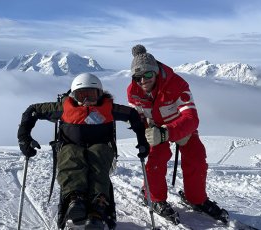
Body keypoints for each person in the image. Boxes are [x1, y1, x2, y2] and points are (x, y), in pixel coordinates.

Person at [17, 73, 149, 229]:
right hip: (71, 145)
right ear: (73, 95)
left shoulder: (109, 108)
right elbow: (32, 111)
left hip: (101, 147)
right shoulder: (64, 107)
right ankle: (75, 198)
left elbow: (133, 115)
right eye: (82, 95)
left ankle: (97, 206)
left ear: (100, 94)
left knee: (98, 156)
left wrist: (142, 140)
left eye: (92, 95)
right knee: (71, 155)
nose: (87, 100)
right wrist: (24, 137)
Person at [127, 44, 229, 224]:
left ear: (156, 72)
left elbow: (191, 118)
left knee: (196, 155)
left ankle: (196, 198)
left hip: (179, 125)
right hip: (155, 128)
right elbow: (138, 115)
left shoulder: (177, 84)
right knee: (156, 157)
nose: (143, 81)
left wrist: (167, 133)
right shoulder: (133, 90)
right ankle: (155, 197)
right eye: (138, 77)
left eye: (148, 75)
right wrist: (143, 128)